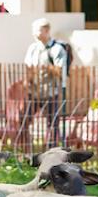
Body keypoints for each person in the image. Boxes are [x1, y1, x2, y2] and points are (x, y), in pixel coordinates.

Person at [21, 18, 69, 151]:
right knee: (23, 120)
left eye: (37, 30)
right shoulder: (32, 48)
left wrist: (47, 67)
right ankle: (26, 151)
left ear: (47, 31)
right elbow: (28, 68)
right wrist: (27, 81)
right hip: (34, 93)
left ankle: (51, 152)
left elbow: (60, 71)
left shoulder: (57, 49)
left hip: (50, 93)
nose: (34, 33)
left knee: (52, 124)